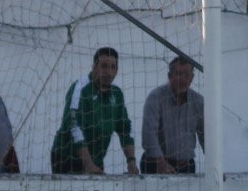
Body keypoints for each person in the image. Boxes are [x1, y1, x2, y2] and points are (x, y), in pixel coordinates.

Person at [50, 46, 138, 175]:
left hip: (96, 160)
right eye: (104, 66)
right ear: (94, 67)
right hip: (67, 159)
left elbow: (124, 128)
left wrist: (131, 162)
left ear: (117, 70)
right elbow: (74, 126)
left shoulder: (117, 94)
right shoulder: (80, 88)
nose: (108, 71)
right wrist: (88, 165)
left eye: (113, 67)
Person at [140, 55, 205, 174]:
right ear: (170, 76)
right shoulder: (155, 98)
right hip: (155, 164)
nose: (183, 79)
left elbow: (206, 137)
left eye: (187, 75)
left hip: (186, 166)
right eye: (179, 74)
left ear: (192, 78)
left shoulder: (198, 102)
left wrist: (216, 166)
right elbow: (148, 135)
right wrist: (161, 162)